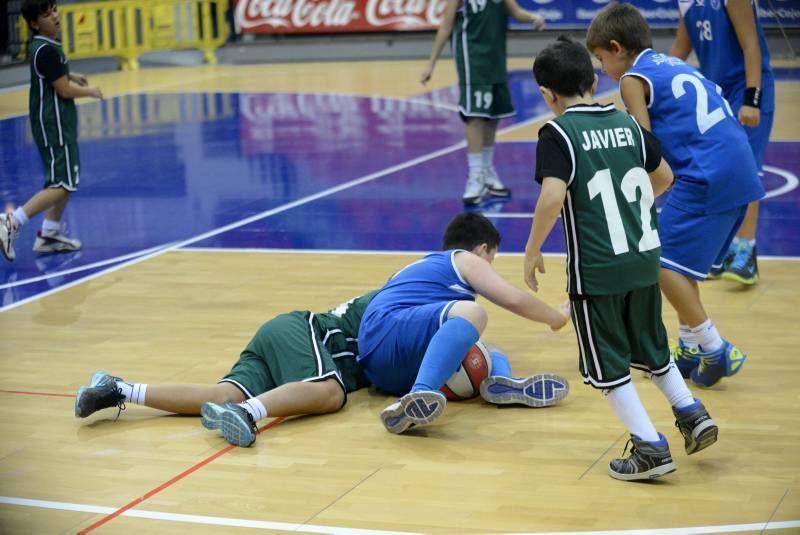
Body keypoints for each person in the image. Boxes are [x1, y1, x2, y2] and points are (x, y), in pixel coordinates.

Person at [527, 37, 718, 481]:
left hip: (598, 271)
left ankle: (651, 448)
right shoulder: (629, 125)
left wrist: (532, 247)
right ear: (593, 80)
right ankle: (691, 412)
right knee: (653, 346)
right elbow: (665, 177)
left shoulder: (556, 133)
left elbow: (552, 195)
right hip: (644, 258)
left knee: (607, 365)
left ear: (546, 94)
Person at [586, 4, 764, 388]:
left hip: (706, 173)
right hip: (740, 169)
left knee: (658, 261)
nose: (602, 69)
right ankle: (687, 347)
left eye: (601, 59)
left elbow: (645, 147)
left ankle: (715, 347)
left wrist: (637, 197)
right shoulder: (669, 64)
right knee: (678, 264)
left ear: (617, 48)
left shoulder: (632, 78)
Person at [74, 290, 379, 447]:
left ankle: (118, 389)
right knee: (329, 393)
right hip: (302, 334)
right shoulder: (401, 299)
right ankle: (248, 412)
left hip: (285, 342)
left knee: (222, 395)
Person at [358, 212, 571, 435]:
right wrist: (557, 317)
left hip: (380, 368)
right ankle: (420, 391)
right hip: (388, 329)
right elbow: (513, 299)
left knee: (487, 350)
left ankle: (501, 382)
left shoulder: (422, 268)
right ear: (481, 249)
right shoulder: (463, 258)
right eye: (491, 258)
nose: (490, 266)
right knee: (474, 313)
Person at [669, 0, 774, 285]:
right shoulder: (686, 2)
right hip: (716, 91)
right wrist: (653, 77)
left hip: (748, 87)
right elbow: (681, 48)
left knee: (748, 168)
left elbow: (750, 45)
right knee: (719, 169)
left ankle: (746, 248)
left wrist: (752, 99)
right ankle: (724, 250)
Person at [0, 0, 103, 262]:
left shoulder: (44, 47)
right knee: (63, 183)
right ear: (35, 23)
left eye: (55, 10)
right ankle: (13, 222)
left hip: (53, 122)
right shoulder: (45, 49)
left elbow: (57, 75)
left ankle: (49, 234)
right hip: (53, 123)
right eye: (47, 14)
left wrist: (73, 74)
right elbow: (64, 90)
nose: (55, 16)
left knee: (63, 180)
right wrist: (89, 91)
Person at [420, 0, 545, 206]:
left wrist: (533, 17)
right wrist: (431, 64)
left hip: (495, 59)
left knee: (493, 116)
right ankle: (475, 176)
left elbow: (515, 11)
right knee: (475, 116)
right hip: (472, 60)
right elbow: (446, 25)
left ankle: (486, 172)